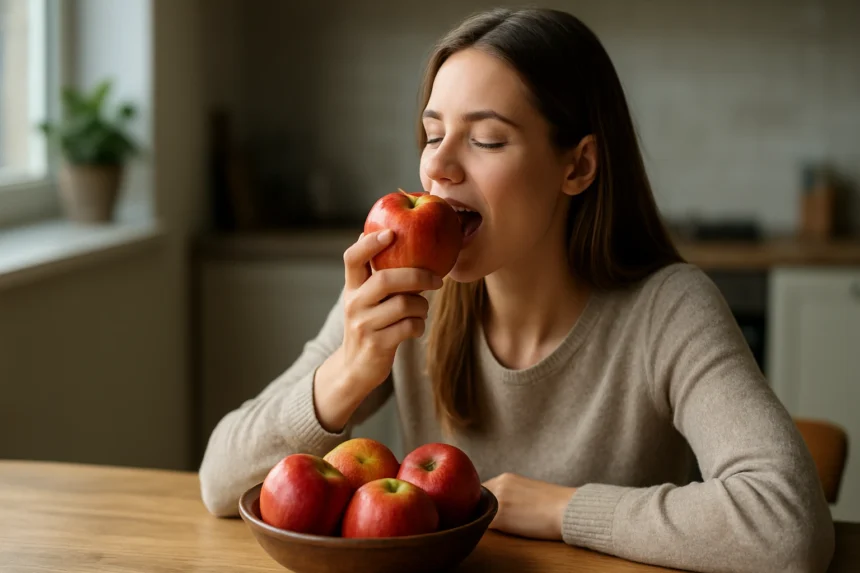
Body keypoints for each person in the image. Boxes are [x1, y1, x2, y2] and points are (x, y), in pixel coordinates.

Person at [199, 7, 834, 572]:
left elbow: (789, 529)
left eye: (486, 139)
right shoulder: (406, 295)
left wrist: (561, 509)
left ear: (578, 165)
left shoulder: (669, 310)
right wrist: (345, 374)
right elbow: (218, 481)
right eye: (433, 134)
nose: (437, 166)